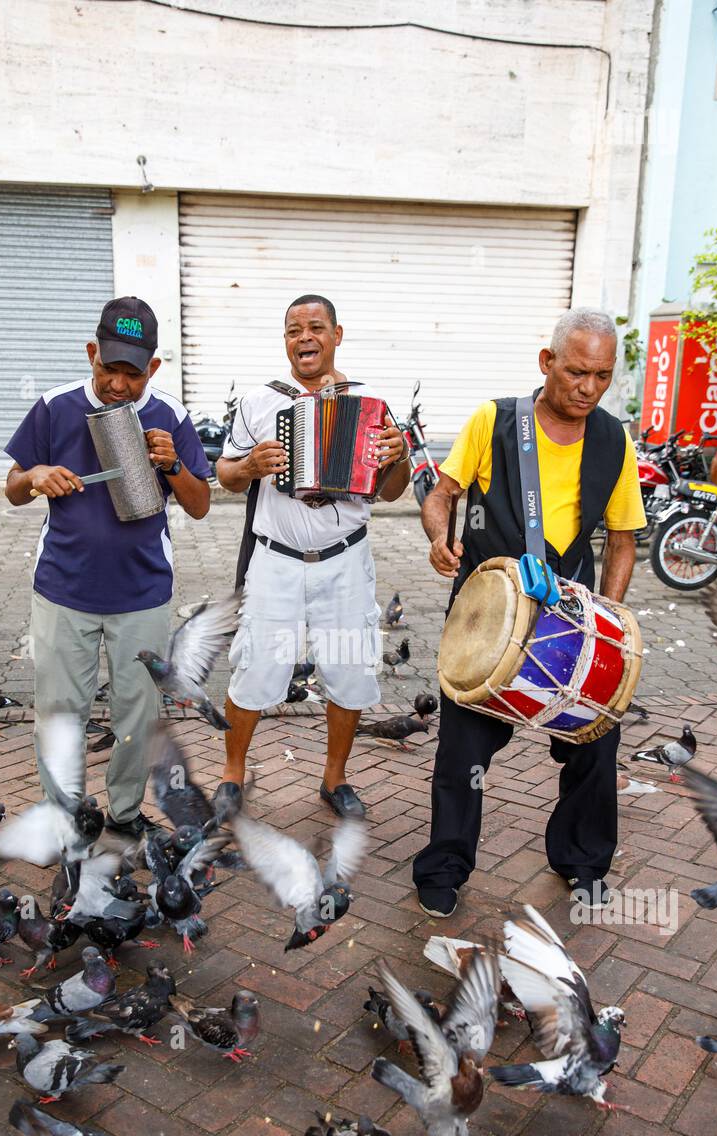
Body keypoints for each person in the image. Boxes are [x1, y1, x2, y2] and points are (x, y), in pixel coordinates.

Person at [414, 308, 646, 916]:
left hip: (572, 619)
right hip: (490, 616)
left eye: (602, 376)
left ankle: (583, 860)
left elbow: (623, 538)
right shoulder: (494, 421)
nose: (588, 388)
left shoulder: (614, 440)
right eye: (576, 372)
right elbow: (442, 494)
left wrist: (609, 619)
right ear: (547, 362)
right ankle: (444, 866)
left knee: (596, 741)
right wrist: (439, 538)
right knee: (462, 752)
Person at [4, 296, 212, 837]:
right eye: (108, 368)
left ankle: (123, 814)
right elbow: (13, 488)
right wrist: (35, 475)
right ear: (90, 353)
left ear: (154, 368)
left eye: (133, 374)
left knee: (138, 713)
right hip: (63, 588)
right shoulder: (55, 406)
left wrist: (173, 464)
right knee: (59, 710)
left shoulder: (170, 416)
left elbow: (199, 505)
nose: (119, 384)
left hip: (142, 593)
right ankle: (64, 816)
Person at [215, 294, 410, 818]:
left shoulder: (369, 404)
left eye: (316, 327)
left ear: (336, 335)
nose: (305, 337)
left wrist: (401, 457)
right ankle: (232, 773)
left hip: (345, 560)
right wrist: (250, 466)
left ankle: (334, 778)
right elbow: (225, 475)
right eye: (294, 330)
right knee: (254, 666)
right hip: (274, 560)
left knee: (348, 669)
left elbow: (392, 491)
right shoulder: (259, 401)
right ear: (285, 341)